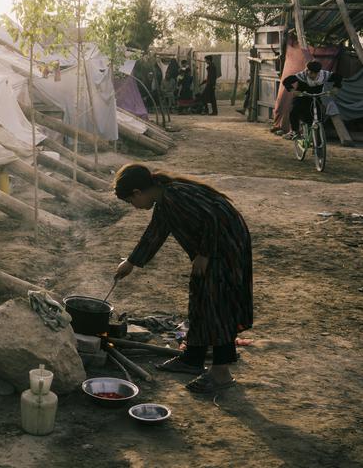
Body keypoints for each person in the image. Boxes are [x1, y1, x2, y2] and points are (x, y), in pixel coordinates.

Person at [112, 164, 253, 394]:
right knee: (200, 297)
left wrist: (205, 253)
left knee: (217, 305)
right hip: (214, 248)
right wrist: (131, 262)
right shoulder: (165, 201)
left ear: (138, 192)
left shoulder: (176, 195)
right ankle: (192, 358)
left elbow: (214, 215)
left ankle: (221, 373)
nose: (134, 207)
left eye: (130, 201)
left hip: (225, 246)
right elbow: (155, 233)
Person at [280, 60, 342, 140]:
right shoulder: (302, 75)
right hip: (302, 97)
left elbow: (338, 77)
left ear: (318, 72)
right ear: (307, 70)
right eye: (310, 72)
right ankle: (294, 131)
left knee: (319, 117)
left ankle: (316, 142)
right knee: (294, 111)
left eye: (315, 73)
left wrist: (336, 87)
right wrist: (293, 91)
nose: (313, 75)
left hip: (315, 97)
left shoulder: (324, 75)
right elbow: (286, 81)